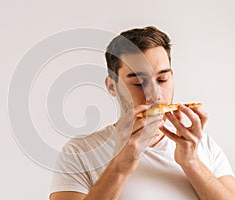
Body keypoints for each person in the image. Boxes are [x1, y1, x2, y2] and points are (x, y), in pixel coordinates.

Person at [49, 26, 235, 200]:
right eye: (139, 82)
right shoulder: (79, 152)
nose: (154, 94)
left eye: (162, 80)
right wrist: (119, 168)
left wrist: (191, 162)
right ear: (112, 86)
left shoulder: (204, 146)